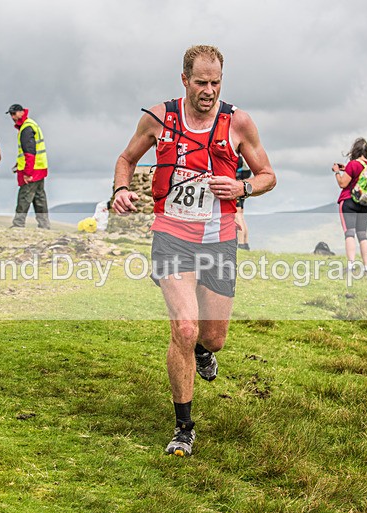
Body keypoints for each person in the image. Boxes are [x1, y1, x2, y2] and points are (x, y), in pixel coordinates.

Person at [112, 45, 276, 457]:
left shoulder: (238, 122)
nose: (209, 90)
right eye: (201, 82)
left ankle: (204, 353)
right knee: (184, 329)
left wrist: (241, 187)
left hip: (219, 239)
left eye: (216, 82)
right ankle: (183, 428)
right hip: (172, 236)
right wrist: (120, 189)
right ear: (184, 79)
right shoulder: (158, 118)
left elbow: (267, 175)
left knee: (212, 337)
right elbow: (126, 158)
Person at [332, 138, 367, 273]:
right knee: (362, 235)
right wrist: (346, 169)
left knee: (349, 233)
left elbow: (342, 184)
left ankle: (351, 266)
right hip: (363, 203)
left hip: (349, 201)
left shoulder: (353, 164)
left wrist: (337, 172)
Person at [7, 104, 50, 229]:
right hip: (40, 167)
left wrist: (27, 172)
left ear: (21, 112)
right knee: (39, 197)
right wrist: (18, 163)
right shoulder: (31, 124)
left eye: (14, 114)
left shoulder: (26, 128)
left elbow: (29, 152)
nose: (13, 117)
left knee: (25, 196)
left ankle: (18, 224)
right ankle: (44, 225)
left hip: (32, 169)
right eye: (11, 114)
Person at [235, 156, 251, 250]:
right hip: (242, 186)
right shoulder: (242, 157)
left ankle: (241, 244)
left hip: (237, 186)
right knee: (240, 216)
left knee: (237, 216)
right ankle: (245, 244)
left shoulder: (237, 158)